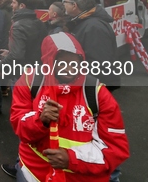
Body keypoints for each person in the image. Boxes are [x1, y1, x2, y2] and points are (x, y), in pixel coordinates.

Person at [10, 32, 130, 181]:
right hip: (32, 173)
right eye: (62, 63)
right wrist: (40, 120)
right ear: (49, 62)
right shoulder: (30, 80)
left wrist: (71, 159)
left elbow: (116, 150)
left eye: (74, 63)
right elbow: (18, 124)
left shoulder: (96, 92)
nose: (69, 69)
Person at [64, 0, 120, 90]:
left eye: (66, 2)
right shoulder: (81, 22)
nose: (64, 4)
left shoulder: (94, 28)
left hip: (95, 85)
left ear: (74, 5)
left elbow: (98, 63)